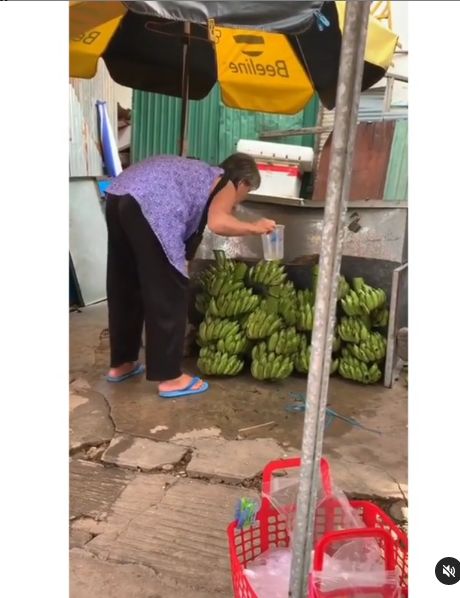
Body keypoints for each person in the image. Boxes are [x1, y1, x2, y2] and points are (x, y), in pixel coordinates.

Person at [104, 152, 276, 398]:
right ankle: (170, 377)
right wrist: (255, 227)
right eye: (245, 194)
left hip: (119, 194)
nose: (238, 203)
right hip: (151, 202)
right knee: (169, 292)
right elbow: (219, 222)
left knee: (126, 284)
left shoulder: (197, 176)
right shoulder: (225, 180)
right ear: (243, 183)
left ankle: (122, 363)